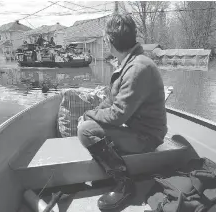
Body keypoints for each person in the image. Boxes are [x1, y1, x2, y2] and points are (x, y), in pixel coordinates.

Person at [77, 14, 167, 210]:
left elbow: (118, 115)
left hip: (147, 137)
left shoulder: (137, 68)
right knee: (89, 124)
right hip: (137, 129)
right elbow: (111, 101)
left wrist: (89, 118)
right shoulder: (128, 63)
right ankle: (111, 170)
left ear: (110, 41)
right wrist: (91, 112)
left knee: (86, 131)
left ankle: (125, 184)